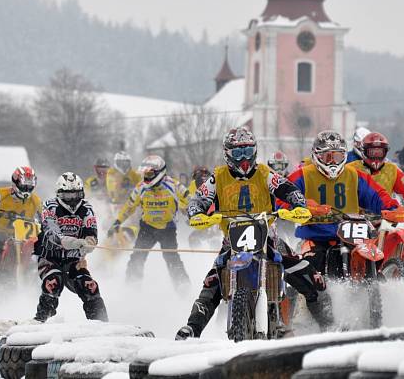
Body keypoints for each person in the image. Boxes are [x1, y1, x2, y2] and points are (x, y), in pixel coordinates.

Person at [175, 127, 330, 340]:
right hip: (233, 240)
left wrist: (299, 205)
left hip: (268, 237)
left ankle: (329, 327)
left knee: (309, 275)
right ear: (228, 154)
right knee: (213, 281)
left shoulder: (264, 173)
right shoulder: (218, 177)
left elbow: (289, 188)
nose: (244, 158)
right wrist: (197, 213)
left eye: (248, 151)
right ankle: (192, 329)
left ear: (255, 151)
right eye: (238, 153)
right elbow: (198, 199)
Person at [288, 130, 399, 273]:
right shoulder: (303, 175)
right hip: (316, 234)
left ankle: (380, 285)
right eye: (328, 157)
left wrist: (393, 208)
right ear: (317, 156)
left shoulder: (354, 175)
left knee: (371, 257)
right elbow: (283, 195)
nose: (333, 162)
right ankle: (305, 294)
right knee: (311, 270)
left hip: (352, 234)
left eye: (338, 156)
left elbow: (377, 195)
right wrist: (302, 207)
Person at [34, 172, 107, 322]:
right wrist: (70, 242)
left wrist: (89, 243)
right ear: (60, 194)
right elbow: (51, 233)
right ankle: (41, 321)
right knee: (53, 283)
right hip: (50, 257)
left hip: (74, 260)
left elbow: (91, 232)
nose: (73, 199)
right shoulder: (50, 206)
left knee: (89, 287)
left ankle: (101, 324)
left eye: (76, 194)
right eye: (68, 195)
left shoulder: (86, 208)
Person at [108, 155, 190, 286]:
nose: (146, 176)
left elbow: (190, 200)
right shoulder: (141, 187)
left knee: (172, 258)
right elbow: (129, 206)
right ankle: (131, 286)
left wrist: (190, 211)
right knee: (137, 257)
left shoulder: (174, 185)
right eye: (144, 173)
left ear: (160, 172)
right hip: (147, 228)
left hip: (167, 228)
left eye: (150, 173)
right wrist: (117, 222)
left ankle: (183, 288)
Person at [0, 166, 41, 273]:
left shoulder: (36, 200)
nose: (26, 189)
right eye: (24, 186)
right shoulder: (1, 194)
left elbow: (46, 216)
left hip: (22, 237)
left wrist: (48, 222)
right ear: (15, 182)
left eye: (29, 186)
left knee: (34, 257)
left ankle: (35, 283)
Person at [348, 132, 404, 207]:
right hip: (354, 215)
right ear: (364, 151)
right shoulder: (351, 169)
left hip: (385, 214)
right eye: (372, 152)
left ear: (385, 152)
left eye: (380, 152)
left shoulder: (392, 170)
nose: (376, 155)